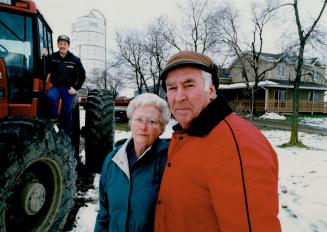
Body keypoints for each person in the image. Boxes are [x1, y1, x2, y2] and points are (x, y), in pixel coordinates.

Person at [155, 51, 281, 231]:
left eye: (189, 85)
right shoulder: (187, 134)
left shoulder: (237, 145)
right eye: (172, 88)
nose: (179, 97)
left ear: (212, 90)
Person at [94, 93, 171, 232]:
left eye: (152, 122)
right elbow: (104, 215)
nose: (143, 127)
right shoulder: (113, 160)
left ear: (162, 129)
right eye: (138, 120)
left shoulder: (168, 162)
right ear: (130, 123)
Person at [46, 35, 86, 137]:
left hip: (68, 89)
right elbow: (43, 69)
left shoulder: (75, 59)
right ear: (58, 45)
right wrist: (43, 57)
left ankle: (67, 135)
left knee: (67, 111)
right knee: (50, 97)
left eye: (65, 44)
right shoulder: (52, 58)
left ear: (68, 46)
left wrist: (75, 88)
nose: (62, 46)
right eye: (60, 44)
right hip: (57, 87)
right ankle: (55, 120)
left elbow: (82, 75)